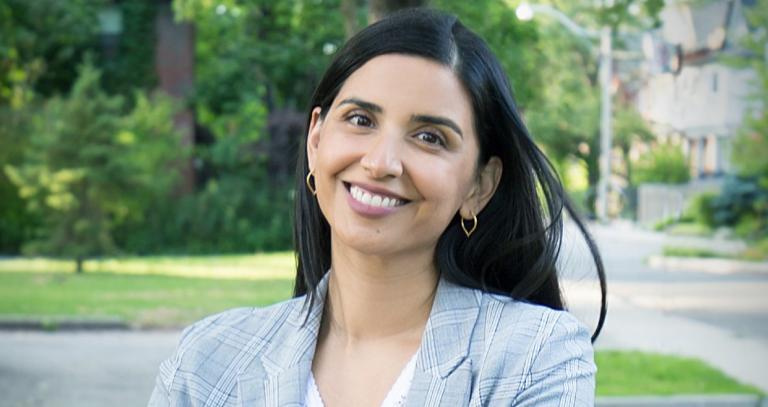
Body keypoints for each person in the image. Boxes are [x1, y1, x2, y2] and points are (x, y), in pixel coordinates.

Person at [149, 7, 606, 407]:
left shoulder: (536, 356)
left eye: (430, 137)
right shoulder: (207, 362)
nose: (381, 162)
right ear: (315, 140)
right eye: (361, 120)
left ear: (479, 186)